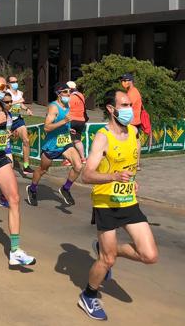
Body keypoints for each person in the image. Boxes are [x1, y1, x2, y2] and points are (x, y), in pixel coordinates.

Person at [78, 89, 158, 321]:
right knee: (107, 259)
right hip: (106, 204)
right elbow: (87, 175)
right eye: (124, 105)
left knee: (150, 255)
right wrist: (113, 176)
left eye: (130, 105)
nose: (129, 110)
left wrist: (132, 181)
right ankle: (88, 295)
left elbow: (133, 163)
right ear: (112, 109)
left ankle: (107, 249)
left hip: (129, 202)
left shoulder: (133, 132)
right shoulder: (103, 137)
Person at [0, 76, 36, 266]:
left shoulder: (2, 107)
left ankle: (15, 251)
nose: (4, 88)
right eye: (1, 86)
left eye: (6, 85)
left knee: (14, 199)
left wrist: (7, 132)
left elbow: (0, 132)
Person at [26, 82, 83, 207]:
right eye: (65, 92)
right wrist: (64, 121)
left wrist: (68, 129)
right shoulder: (53, 107)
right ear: (58, 94)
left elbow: (63, 124)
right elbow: (46, 128)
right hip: (51, 146)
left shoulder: (67, 105)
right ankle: (32, 188)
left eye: (70, 92)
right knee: (42, 170)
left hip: (65, 143)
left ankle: (65, 189)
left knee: (78, 166)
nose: (68, 94)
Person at [7, 76, 34, 175]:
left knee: (26, 140)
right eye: (13, 82)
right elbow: (7, 105)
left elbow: (21, 105)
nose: (15, 83)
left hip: (18, 119)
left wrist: (26, 109)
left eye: (16, 81)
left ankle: (26, 166)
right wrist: (18, 101)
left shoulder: (20, 93)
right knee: (4, 142)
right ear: (8, 84)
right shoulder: (6, 93)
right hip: (7, 119)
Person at [120, 73, 143, 170]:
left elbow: (127, 105)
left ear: (130, 81)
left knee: (131, 142)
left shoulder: (132, 92)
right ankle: (135, 163)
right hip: (134, 120)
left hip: (132, 122)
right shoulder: (132, 91)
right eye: (122, 81)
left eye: (125, 81)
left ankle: (133, 163)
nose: (123, 83)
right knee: (135, 141)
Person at [66, 81, 87, 164]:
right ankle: (83, 158)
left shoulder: (69, 97)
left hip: (72, 120)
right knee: (77, 140)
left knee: (68, 140)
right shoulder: (81, 95)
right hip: (81, 120)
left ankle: (69, 160)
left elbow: (66, 108)